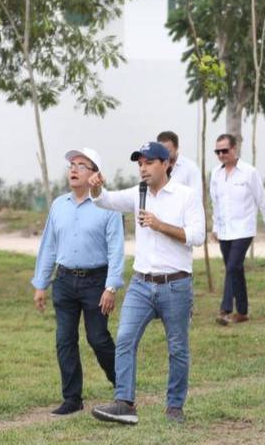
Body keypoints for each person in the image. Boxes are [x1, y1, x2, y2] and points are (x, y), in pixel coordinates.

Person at [88, 141, 206, 425]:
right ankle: (124, 403)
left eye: (149, 162)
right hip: (141, 284)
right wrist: (95, 188)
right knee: (126, 340)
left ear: (166, 164)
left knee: (177, 348)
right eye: (140, 163)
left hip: (175, 285)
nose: (143, 168)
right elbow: (105, 200)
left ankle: (174, 407)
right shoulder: (137, 192)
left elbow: (198, 236)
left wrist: (159, 224)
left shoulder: (186, 195)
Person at [31, 146, 123, 416]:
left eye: (82, 165)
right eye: (72, 165)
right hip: (64, 280)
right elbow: (48, 246)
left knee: (98, 339)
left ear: (95, 174)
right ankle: (72, 399)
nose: (73, 169)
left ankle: (123, 387)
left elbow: (116, 249)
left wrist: (111, 286)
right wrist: (41, 284)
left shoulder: (107, 206)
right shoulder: (59, 205)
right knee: (64, 340)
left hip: (96, 282)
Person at [210, 133, 265, 325]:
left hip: (244, 229)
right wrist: (214, 227)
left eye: (225, 150)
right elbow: (216, 203)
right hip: (224, 230)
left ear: (234, 149)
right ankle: (243, 312)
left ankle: (225, 310)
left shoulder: (249, 172)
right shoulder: (216, 174)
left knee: (232, 267)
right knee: (235, 270)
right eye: (218, 151)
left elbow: (261, 199)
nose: (221, 154)